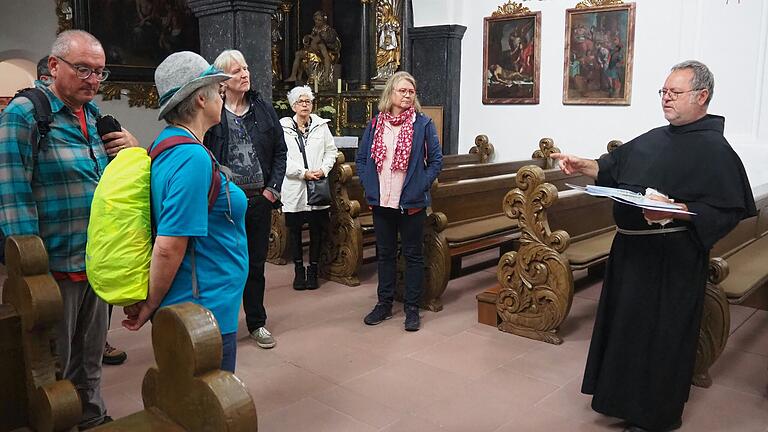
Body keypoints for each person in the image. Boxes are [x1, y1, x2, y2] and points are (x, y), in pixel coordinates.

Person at [552, 60, 756, 432]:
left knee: (660, 337)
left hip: (671, 262)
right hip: (631, 254)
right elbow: (611, 168)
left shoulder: (715, 149)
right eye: (663, 91)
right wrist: (583, 164)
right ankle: (620, 400)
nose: (666, 99)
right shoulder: (654, 137)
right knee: (626, 329)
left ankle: (655, 416)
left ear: (702, 96)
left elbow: (727, 210)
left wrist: (676, 210)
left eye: (674, 93)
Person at [0, 30, 139, 429]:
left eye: (99, 72)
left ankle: (92, 416)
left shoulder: (95, 116)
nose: (93, 80)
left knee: (91, 357)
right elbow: (12, 195)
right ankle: (58, 423)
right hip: (53, 268)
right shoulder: (25, 115)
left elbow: (114, 186)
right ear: (54, 66)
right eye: (83, 69)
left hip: (95, 260)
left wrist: (131, 148)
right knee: (51, 364)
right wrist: (31, 274)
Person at [122, 51, 248, 374]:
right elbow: (169, 245)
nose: (222, 95)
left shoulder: (167, 144)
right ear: (201, 99)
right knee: (212, 407)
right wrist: (150, 304)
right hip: (203, 310)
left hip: (203, 302)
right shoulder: (191, 158)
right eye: (217, 90)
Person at [204, 49, 287, 349]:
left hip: (259, 202)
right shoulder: (212, 111)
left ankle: (256, 323)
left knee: (255, 266)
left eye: (246, 67)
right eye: (237, 70)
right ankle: (218, 326)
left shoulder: (263, 109)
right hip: (224, 205)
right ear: (222, 81)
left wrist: (271, 191)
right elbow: (204, 154)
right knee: (223, 266)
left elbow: (280, 151)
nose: (245, 74)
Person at [356, 71, 443, 332]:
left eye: (411, 91)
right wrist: (369, 183)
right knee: (384, 254)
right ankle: (383, 304)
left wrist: (419, 184)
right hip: (382, 199)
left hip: (411, 201)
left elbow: (436, 161)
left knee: (413, 255)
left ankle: (412, 309)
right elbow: (362, 160)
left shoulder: (423, 124)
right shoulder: (375, 125)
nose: (406, 95)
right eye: (402, 91)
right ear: (390, 93)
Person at [279, 86, 337, 290]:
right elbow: (280, 157)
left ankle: (312, 269)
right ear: (293, 105)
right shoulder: (283, 127)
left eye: (308, 101)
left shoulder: (321, 126)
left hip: (317, 186)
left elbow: (331, 152)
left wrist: (323, 169)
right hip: (294, 187)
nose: (305, 104)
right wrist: (302, 173)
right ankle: (298, 271)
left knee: (316, 231)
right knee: (294, 232)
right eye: (300, 101)